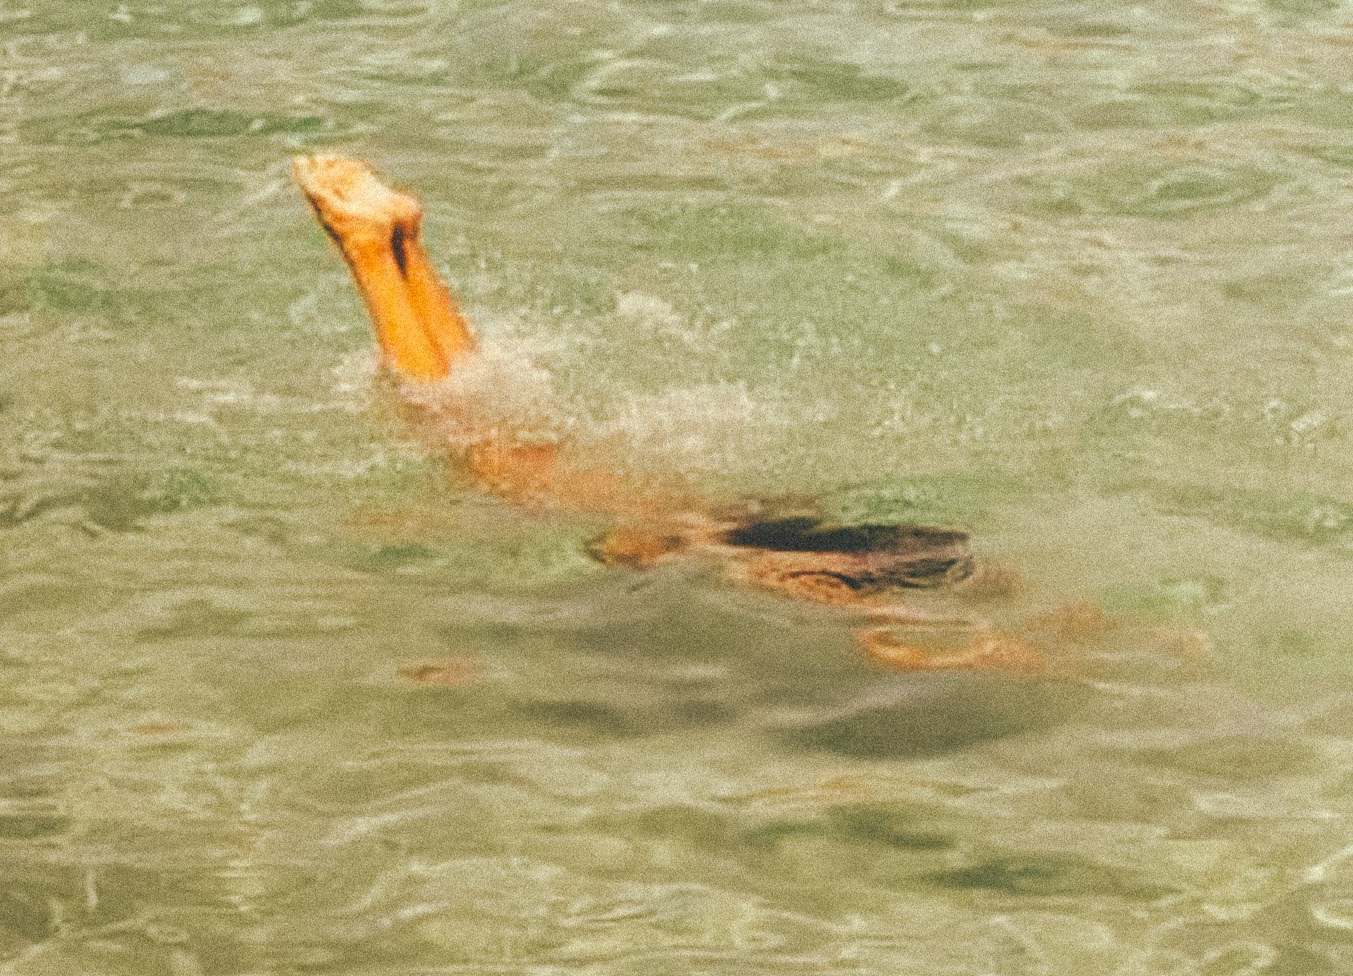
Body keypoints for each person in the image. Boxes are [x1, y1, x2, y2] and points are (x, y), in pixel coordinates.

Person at [292, 154, 1055, 674]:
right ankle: (370, 249)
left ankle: (402, 242)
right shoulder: (813, 585)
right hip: (665, 524)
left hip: (694, 506)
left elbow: (987, 590)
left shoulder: (841, 554)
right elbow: (896, 640)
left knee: (499, 427)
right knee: (471, 444)